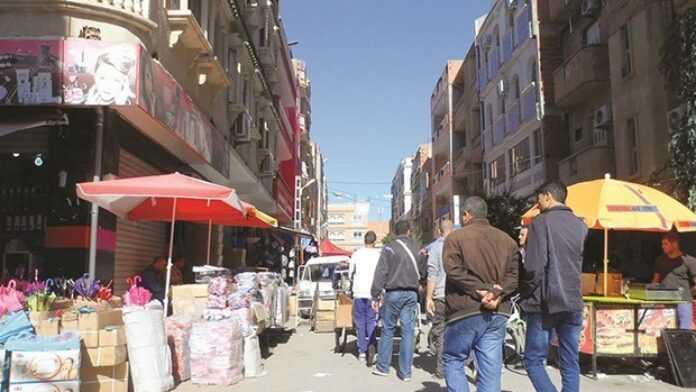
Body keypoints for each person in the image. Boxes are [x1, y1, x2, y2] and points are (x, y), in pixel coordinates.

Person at [442, 196, 519, 392]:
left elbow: (454, 271)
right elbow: (514, 276)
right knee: (490, 368)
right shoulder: (507, 240)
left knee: (453, 358)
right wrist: (497, 294)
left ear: (466, 215)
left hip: (465, 310)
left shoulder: (455, 238)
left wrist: (482, 292)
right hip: (497, 311)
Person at [521, 182, 588, 392]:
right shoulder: (580, 225)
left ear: (548, 196)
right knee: (570, 360)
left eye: (538, 199)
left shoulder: (540, 222)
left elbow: (533, 267)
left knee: (533, 360)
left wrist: (525, 291)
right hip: (573, 300)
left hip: (544, 302)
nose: (537, 205)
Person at [371, 221, 426, 381]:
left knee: (388, 329)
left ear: (395, 232)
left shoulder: (388, 248)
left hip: (392, 293)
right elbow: (423, 272)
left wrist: (375, 294)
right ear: (409, 231)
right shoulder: (418, 248)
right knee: (408, 331)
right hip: (411, 294)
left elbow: (381, 272)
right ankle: (406, 372)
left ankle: (383, 367)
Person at [425, 219, 454, 379]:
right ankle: (464, 362)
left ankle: (441, 369)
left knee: (441, 332)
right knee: (461, 331)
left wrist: (429, 297)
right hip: (459, 297)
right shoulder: (461, 244)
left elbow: (432, 274)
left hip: (441, 296)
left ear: (439, 231)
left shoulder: (435, 247)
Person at [349, 231, 382, 365]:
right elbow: (382, 274)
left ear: (364, 240)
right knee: (371, 322)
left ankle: (362, 352)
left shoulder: (356, 254)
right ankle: (372, 347)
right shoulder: (378, 255)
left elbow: (351, 273)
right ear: (375, 241)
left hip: (358, 293)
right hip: (373, 294)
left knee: (360, 323)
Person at [652, 232, 696, 329]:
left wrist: (687, 293)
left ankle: (684, 343)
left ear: (675, 244)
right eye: (662, 244)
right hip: (663, 298)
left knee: (685, 330)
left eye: (665, 244)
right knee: (661, 327)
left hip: (683, 300)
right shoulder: (660, 260)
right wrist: (653, 296)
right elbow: (655, 281)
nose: (663, 246)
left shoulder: (689, 260)